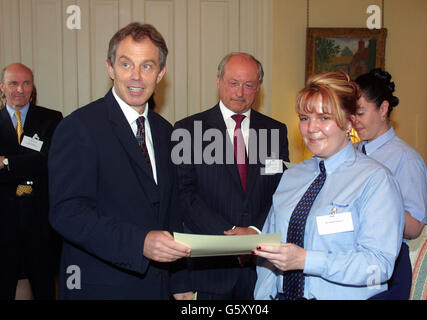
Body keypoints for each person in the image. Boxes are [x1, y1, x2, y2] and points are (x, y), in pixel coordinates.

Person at [48, 22, 192, 300]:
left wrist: (179, 281)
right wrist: (139, 243)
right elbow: (67, 213)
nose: (136, 76)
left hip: (159, 288)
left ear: (160, 73)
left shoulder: (167, 132)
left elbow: (172, 211)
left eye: (147, 66)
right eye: (126, 64)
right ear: (110, 68)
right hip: (99, 288)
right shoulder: (79, 127)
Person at [253, 71, 405, 300]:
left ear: (348, 122)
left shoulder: (375, 180)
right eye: (304, 118)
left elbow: (378, 266)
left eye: (324, 118)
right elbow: (269, 251)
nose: (311, 128)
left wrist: (306, 260)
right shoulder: (292, 176)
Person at [174, 52, 289, 299]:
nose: (240, 92)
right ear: (219, 82)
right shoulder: (188, 130)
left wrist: (255, 231)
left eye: (249, 85)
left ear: (258, 87)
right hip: (209, 271)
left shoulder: (275, 131)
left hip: (261, 271)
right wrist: (232, 235)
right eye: (233, 83)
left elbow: (280, 190)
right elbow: (185, 195)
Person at [353, 68, 427, 299]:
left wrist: (380, 204)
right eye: (350, 113)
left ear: (383, 109)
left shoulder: (406, 158)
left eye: (360, 113)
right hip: (354, 260)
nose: (354, 121)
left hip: (389, 264)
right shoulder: (352, 152)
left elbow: (415, 227)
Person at [0, 63, 63, 300]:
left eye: (26, 83)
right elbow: (35, 163)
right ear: (2, 88)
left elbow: (49, 161)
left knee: (45, 286)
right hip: (3, 223)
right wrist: (28, 165)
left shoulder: (51, 119)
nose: (20, 89)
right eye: (13, 83)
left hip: (40, 222)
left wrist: (6, 163)